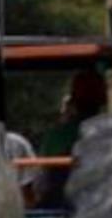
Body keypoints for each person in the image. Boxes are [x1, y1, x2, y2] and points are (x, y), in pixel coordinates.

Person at [35, 69, 108, 207]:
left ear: (73, 99)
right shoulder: (110, 130)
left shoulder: (56, 135)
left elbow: (43, 177)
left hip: (60, 201)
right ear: (103, 98)